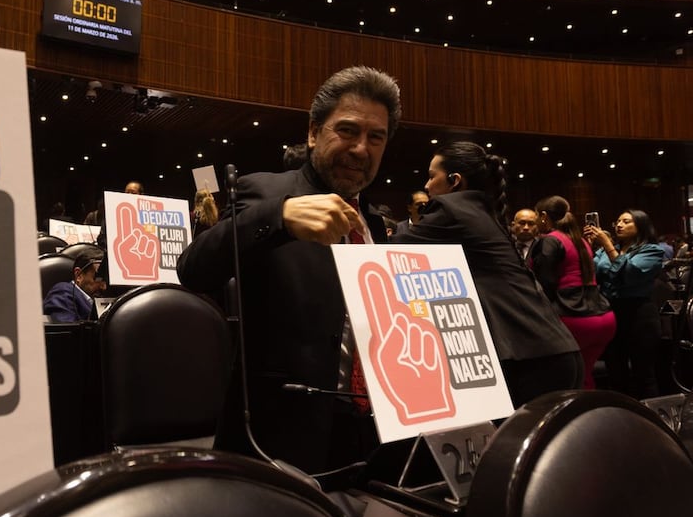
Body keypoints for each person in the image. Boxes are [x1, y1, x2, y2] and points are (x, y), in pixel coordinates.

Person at [178, 65, 400, 473]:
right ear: (314, 132)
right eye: (347, 131)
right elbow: (193, 270)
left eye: (376, 137)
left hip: (364, 433)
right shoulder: (265, 192)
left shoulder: (374, 222)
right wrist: (278, 217)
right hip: (278, 437)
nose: (360, 149)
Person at [390, 142, 581, 407]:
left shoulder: (451, 207)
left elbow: (392, 251)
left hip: (529, 360)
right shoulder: (482, 209)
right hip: (555, 349)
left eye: (432, 176)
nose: (427, 185)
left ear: (455, 181)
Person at [532, 196, 616, 389]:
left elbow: (545, 284)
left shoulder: (549, 240)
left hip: (573, 318)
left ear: (543, 216)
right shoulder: (581, 241)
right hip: (604, 317)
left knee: (562, 382)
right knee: (584, 377)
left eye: (536, 215)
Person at [586, 209, 666, 398]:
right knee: (615, 372)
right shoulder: (605, 250)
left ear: (641, 226)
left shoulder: (652, 250)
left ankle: (648, 414)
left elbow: (630, 274)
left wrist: (607, 245)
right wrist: (588, 248)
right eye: (618, 221)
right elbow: (591, 274)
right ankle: (620, 414)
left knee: (643, 373)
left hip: (639, 314)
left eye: (626, 221)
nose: (619, 225)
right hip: (611, 312)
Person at [43, 247, 106, 322]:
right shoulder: (63, 293)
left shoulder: (104, 297)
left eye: (106, 280)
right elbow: (67, 328)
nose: (104, 287)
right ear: (78, 275)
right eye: (98, 279)